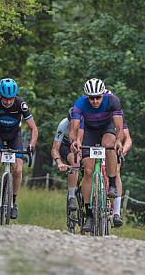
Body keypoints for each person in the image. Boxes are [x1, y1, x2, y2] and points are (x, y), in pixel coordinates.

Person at [69, 78, 123, 232]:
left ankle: (111, 184)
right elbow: (74, 129)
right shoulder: (80, 103)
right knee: (88, 171)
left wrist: (118, 141)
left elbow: (119, 127)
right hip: (89, 132)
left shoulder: (112, 101)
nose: (94, 101)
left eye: (98, 97)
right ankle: (89, 215)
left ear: (103, 95)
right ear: (87, 97)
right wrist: (74, 142)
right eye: (91, 98)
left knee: (109, 145)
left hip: (107, 128)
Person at [0, 78, 38, 219]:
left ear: (15, 96)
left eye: (10, 99)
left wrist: (31, 145)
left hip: (14, 136)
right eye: (5, 99)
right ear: (0, 96)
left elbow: (34, 128)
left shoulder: (21, 104)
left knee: (18, 169)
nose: (7, 102)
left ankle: (13, 202)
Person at [51, 108, 80, 212]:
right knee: (75, 161)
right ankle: (71, 197)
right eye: (72, 122)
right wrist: (59, 162)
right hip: (66, 146)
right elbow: (54, 149)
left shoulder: (87, 123)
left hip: (81, 145)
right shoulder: (63, 125)